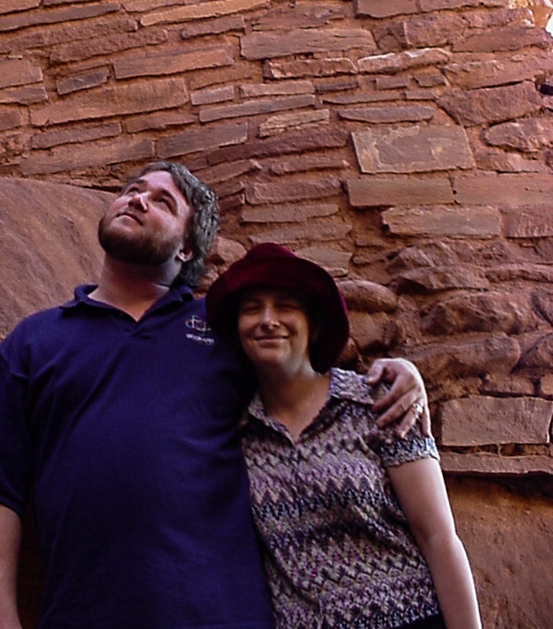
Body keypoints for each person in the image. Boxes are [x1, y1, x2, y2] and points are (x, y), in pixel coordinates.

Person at [0, 161, 428, 629]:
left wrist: (403, 373)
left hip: (224, 615)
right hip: (82, 614)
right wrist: (0, 621)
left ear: (186, 249)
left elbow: (307, 391)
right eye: (131, 191)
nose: (136, 199)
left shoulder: (226, 331)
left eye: (162, 201)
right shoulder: (33, 342)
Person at [205, 242, 483, 629]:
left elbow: (437, 536)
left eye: (285, 306)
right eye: (252, 309)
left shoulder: (379, 402)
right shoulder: (237, 432)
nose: (268, 319)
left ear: (314, 325)